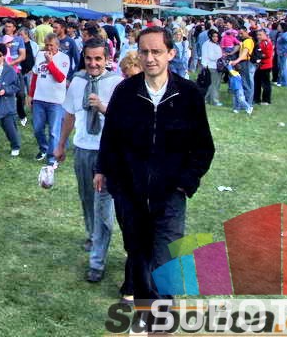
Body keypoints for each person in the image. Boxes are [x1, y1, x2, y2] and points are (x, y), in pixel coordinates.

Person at [97, 27, 214, 319]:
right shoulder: (125, 91)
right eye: (144, 52)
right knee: (139, 260)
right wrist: (106, 172)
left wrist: (185, 183)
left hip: (170, 195)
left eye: (156, 52)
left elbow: (203, 147)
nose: (150, 58)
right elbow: (110, 138)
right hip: (130, 195)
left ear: (171, 53)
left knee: (164, 264)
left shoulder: (188, 94)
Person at [54, 39, 124, 284]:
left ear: (107, 59)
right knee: (86, 198)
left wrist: (103, 107)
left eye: (98, 59)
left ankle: (97, 262)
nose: (93, 63)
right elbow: (69, 115)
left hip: (107, 153)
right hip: (83, 149)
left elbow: (124, 121)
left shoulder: (117, 84)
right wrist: (61, 144)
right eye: (88, 58)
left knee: (102, 206)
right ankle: (92, 235)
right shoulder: (77, 82)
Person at [28, 35, 69, 167]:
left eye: (51, 45)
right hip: (39, 98)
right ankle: (44, 148)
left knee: (53, 131)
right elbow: (35, 75)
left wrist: (50, 62)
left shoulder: (64, 58)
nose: (49, 48)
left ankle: (52, 157)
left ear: (57, 45)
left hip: (56, 101)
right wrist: (30, 95)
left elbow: (60, 78)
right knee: (37, 128)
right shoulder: (40, 55)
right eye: (47, 45)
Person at [201, 29, 223, 106]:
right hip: (212, 66)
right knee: (214, 85)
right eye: (214, 36)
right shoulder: (210, 44)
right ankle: (214, 101)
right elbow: (211, 56)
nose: (215, 38)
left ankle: (206, 99)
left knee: (212, 84)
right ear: (210, 36)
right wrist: (221, 55)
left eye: (217, 36)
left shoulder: (210, 44)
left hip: (212, 66)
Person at [253, 29, 274, 106]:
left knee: (265, 84)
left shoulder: (266, 42)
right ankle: (256, 99)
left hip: (265, 66)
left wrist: (258, 56)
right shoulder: (260, 42)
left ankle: (266, 100)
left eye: (260, 35)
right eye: (257, 35)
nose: (258, 36)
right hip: (259, 66)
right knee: (257, 83)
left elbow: (268, 54)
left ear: (265, 35)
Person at [275, 22, 287, 87]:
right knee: (281, 68)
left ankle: (285, 83)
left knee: (284, 68)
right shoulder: (281, 34)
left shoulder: (285, 35)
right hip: (280, 53)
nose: (277, 27)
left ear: (282, 27)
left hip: (284, 53)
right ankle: (281, 81)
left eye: (279, 26)